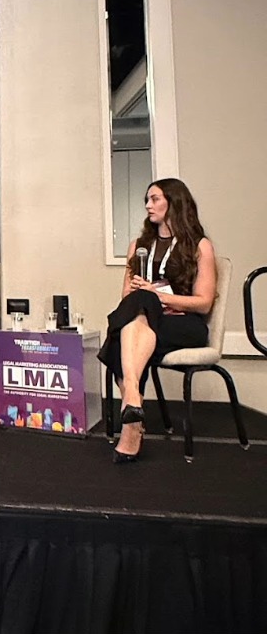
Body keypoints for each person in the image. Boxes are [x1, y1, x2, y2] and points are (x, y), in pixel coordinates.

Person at [98, 178, 217, 463]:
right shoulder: (138, 245)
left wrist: (161, 298)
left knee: (122, 332)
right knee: (137, 305)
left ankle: (131, 403)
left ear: (174, 202)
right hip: (146, 324)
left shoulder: (200, 246)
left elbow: (204, 302)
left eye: (155, 199)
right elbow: (126, 295)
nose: (148, 206)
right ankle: (133, 419)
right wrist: (148, 297)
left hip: (183, 325)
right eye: (147, 201)